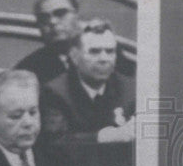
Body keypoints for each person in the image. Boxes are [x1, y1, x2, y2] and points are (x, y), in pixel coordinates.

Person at [41, 18, 136, 148]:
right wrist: (102, 137)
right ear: (74, 56)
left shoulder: (130, 89)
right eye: (94, 51)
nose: (104, 59)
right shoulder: (54, 92)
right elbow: (55, 142)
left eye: (110, 51)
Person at [17, 0, 135, 82]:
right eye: (44, 18)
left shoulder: (105, 49)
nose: (52, 21)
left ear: (77, 16)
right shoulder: (29, 69)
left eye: (60, 13)